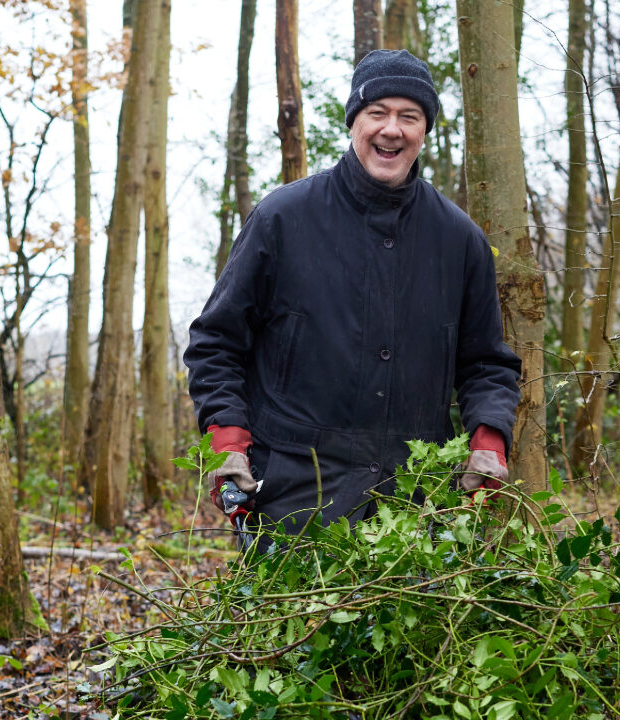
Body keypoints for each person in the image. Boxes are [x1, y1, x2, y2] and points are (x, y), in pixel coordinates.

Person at [184, 49, 522, 540]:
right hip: (293, 492)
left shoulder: (459, 239)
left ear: (424, 130)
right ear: (353, 123)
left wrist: (488, 439)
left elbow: (487, 363)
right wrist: (227, 440)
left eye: (409, 116)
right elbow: (216, 341)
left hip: (413, 503)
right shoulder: (283, 219)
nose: (392, 129)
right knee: (293, 618)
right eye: (377, 113)